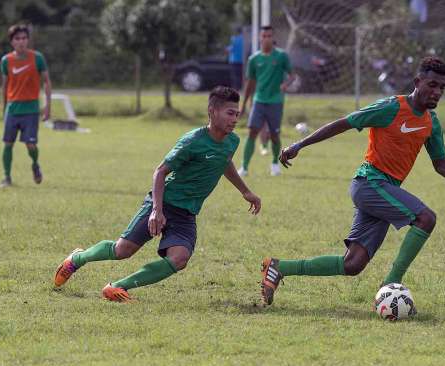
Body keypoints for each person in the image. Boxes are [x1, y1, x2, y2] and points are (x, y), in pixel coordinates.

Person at [259, 57, 445, 306]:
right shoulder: (391, 107)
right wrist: (299, 144)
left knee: (353, 264)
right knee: (426, 218)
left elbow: (441, 164)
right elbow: (344, 123)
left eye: (442, 88)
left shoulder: (431, 122)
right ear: (417, 82)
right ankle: (391, 286)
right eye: (432, 85)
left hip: (385, 190)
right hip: (369, 183)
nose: (437, 92)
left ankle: (277, 267)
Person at [53, 87, 261, 302]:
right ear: (212, 112)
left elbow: (224, 161)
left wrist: (245, 191)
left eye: (237, 114)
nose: (235, 119)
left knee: (179, 259)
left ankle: (117, 287)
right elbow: (161, 171)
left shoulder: (232, 141)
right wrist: (156, 211)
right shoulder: (192, 141)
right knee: (122, 250)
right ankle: (77, 258)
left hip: (186, 213)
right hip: (164, 202)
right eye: (230, 113)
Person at [0, 24, 52, 188]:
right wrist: (4, 108)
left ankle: (35, 164)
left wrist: (47, 106)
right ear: (12, 42)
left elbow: (46, 82)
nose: (21, 41)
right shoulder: (6, 60)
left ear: (28, 40)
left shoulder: (37, 58)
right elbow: (5, 85)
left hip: (30, 109)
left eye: (24, 38)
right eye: (17, 39)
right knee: (8, 143)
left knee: (30, 144)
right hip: (13, 109)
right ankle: (6, 177)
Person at [238, 25, 295, 177]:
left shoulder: (281, 56)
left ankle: (275, 164)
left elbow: (292, 75)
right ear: (260, 38)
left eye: (270, 36)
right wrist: (243, 105)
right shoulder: (254, 59)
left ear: (273, 38)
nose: (267, 39)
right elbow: (250, 84)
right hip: (259, 100)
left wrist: (286, 84)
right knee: (252, 132)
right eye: (264, 36)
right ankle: (244, 167)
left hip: (276, 101)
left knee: (275, 135)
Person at [227, 26, 244, 91]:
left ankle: (235, 89)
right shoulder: (243, 39)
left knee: (234, 76)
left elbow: (231, 49)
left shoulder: (233, 39)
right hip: (241, 60)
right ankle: (240, 87)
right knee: (240, 75)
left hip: (234, 60)